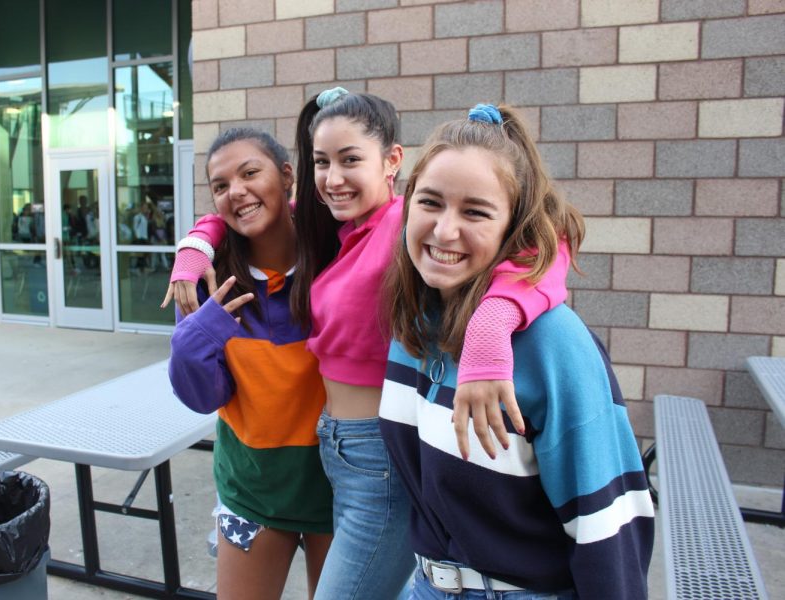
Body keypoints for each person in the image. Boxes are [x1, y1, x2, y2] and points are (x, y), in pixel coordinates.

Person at [164, 90, 571, 599]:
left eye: (350, 160)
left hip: (362, 463)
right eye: (323, 163)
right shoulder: (309, 243)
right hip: (293, 473)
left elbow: (542, 238)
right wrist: (197, 246)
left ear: (393, 161)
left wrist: (491, 328)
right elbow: (245, 211)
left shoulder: (379, 228)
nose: (334, 178)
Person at [379, 103, 654, 599]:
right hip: (425, 584)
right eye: (431, 202)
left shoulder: (554, 344)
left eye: (476, 212)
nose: (444, 230)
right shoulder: (414, 324)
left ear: (514, 228)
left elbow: (607, 524)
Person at [168, 128, 333, 600]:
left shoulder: (337, 258)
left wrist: (198, 235)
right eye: (220, 186)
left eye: (249, 173)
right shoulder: (209, 279)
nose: (236, 191)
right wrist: (199, 330)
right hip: (252, 493)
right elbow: (202, 397)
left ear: (286, 177)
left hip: (343, 494)